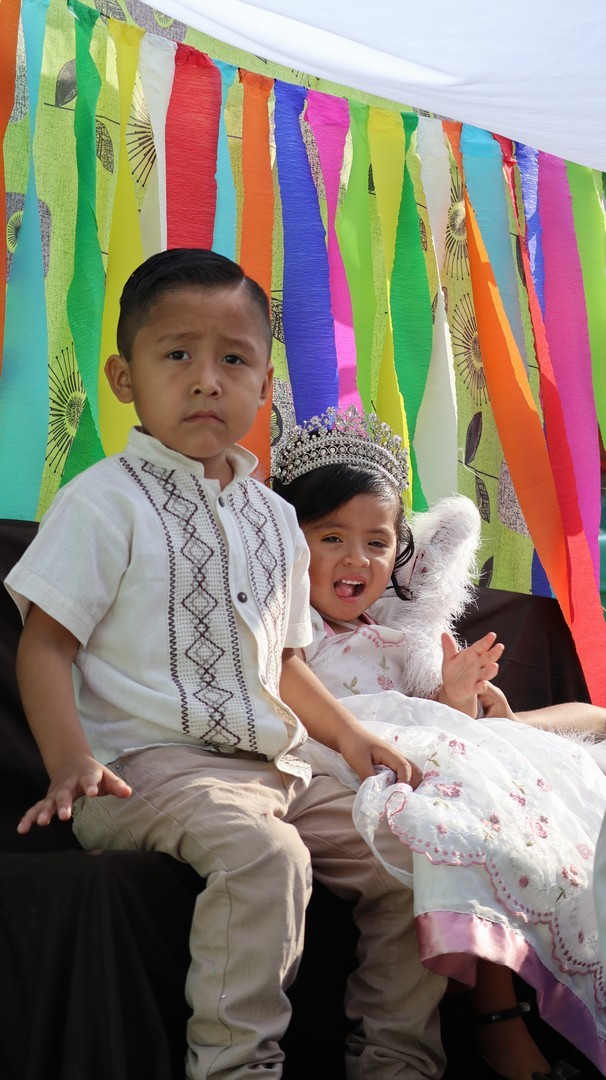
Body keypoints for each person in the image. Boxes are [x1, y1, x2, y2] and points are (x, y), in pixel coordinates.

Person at [4, 250, 449, 1080]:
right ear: (124, 377)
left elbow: (285, 664)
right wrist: (70, 762)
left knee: (413, 855)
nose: (207, 380)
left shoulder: (275, 519)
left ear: (266, 385)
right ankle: (237, 1067)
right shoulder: (103, 501)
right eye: (177, 353)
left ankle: (397, 1063)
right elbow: (46, 644)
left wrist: (350, 739)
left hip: (276, 771)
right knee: (266, 856)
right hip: (146, 771)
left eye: (234, 359)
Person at [272, 404, 606, 1080]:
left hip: (411, 761)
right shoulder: (288, 629)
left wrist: (453, 693)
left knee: (516, 810)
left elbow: (431, 722)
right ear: (289, 542)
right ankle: (494, 1024)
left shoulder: (398, 636)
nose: (356, 559)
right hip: (340, 764)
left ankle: (498, 1019)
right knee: (450, 823)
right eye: (330, 537)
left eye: (377, 542)